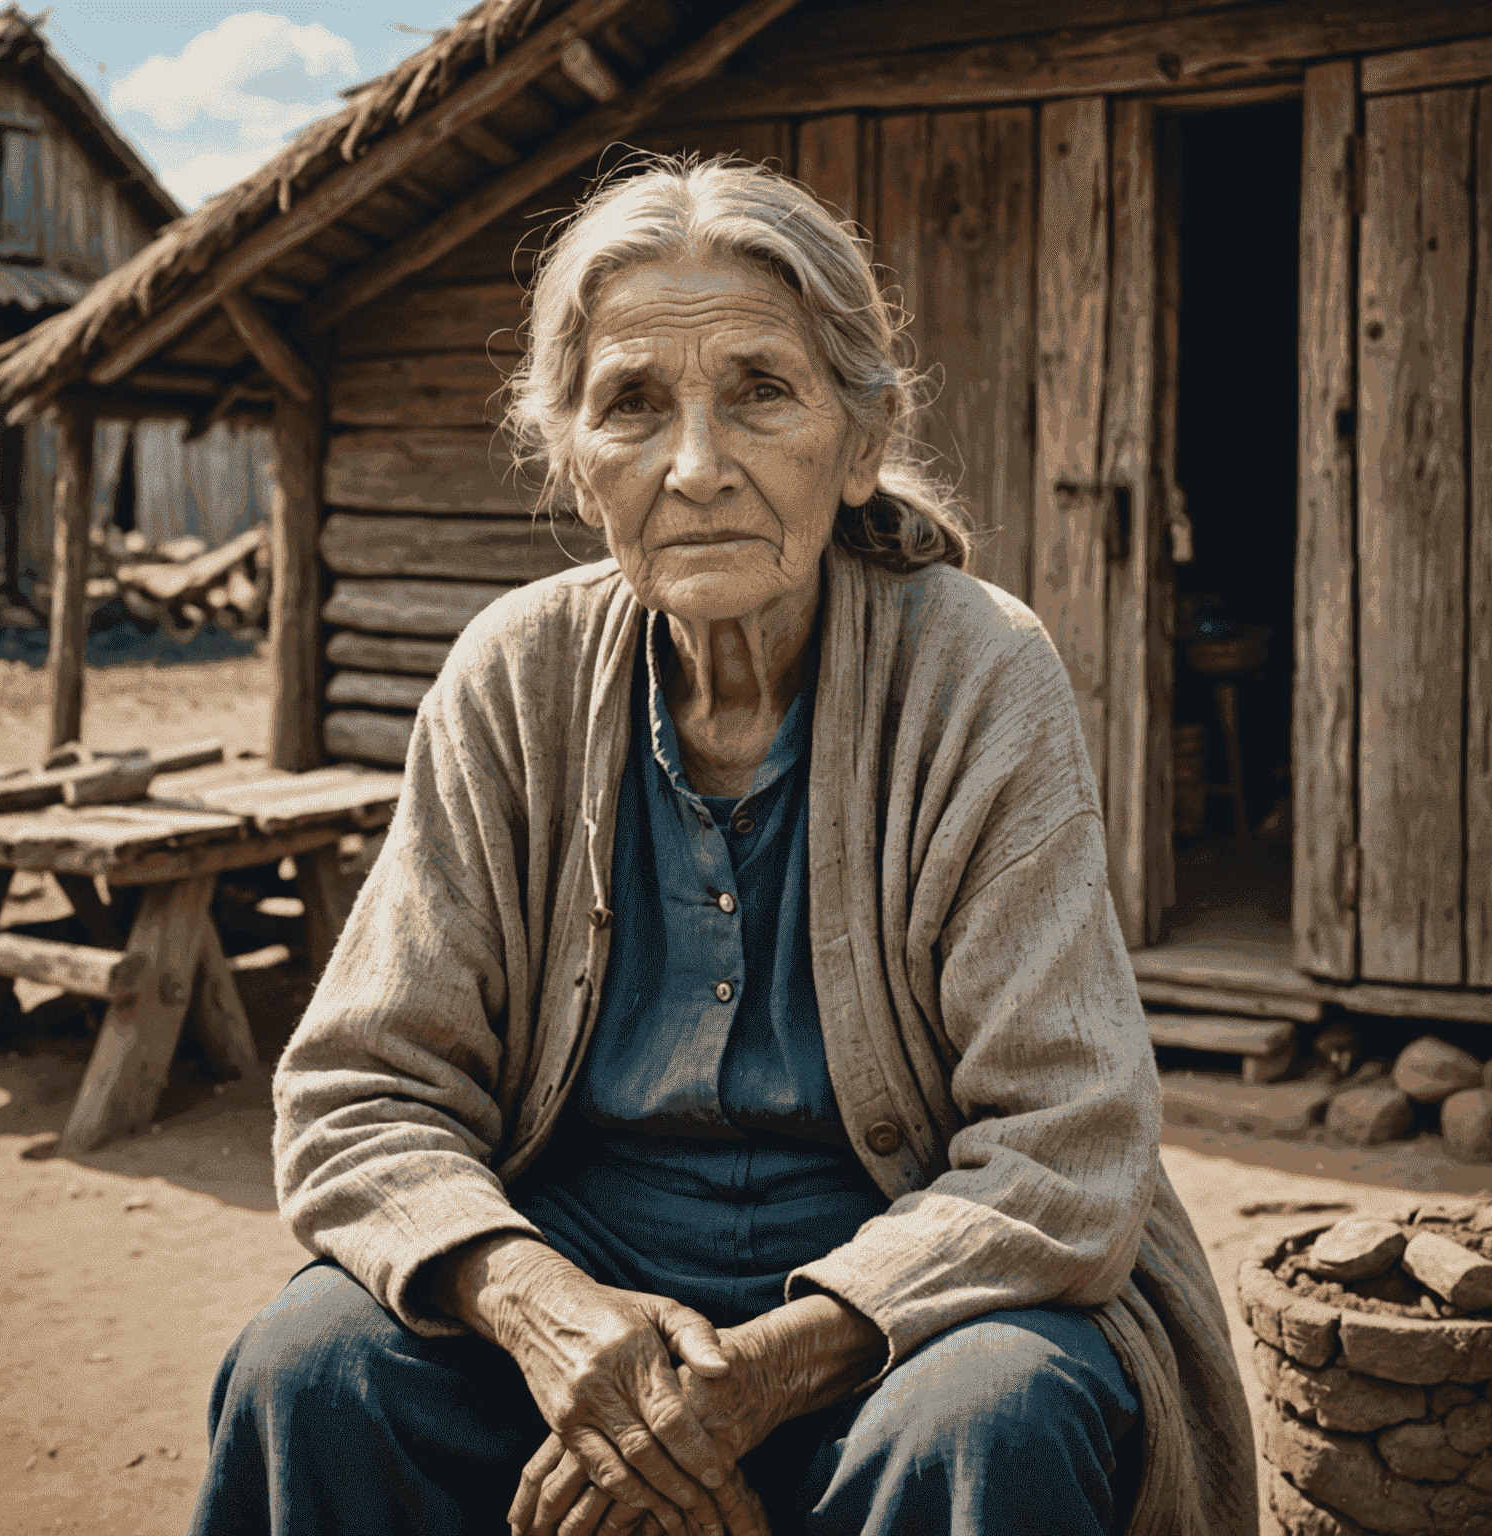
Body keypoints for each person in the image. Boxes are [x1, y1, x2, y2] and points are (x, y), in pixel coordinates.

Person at [189, 156, 1256, 1536]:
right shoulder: (512, 677)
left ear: (859, 441)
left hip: (905, 1288)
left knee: (994, 1414)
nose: (697, 468)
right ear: (572, 460)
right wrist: (545, 1313)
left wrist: (753, 1377)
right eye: (633, 403)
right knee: (311, 1369)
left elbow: (1068, 1141)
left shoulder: (979, 671)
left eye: (761, 390)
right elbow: (359, 1095)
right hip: (587, 1269)